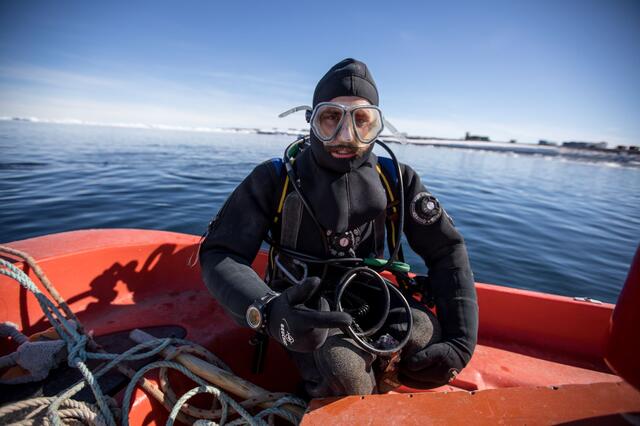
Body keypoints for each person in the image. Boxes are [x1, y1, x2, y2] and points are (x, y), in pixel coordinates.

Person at [199, 58, 478, 397]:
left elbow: (446, 249)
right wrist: (269, 310)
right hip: (298, 300)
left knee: (422, 335)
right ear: (312, 120)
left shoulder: (396, 179)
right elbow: (220, 252)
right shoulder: (275, 178)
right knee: (342, 369)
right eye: (331, 117)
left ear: (376, 125)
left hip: (370, 291)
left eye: (361, 120)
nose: (346, 136)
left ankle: (378, 383)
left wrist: (461, 341)